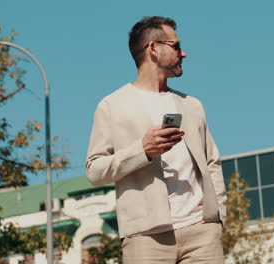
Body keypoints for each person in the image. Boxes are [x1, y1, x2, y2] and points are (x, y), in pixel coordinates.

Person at [85, 16, 227, 264]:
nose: (184, 54)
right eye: (176, 46)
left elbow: (212, 162)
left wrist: (217, 217)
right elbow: (95, 170)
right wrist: (142, 150)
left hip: (202, 232)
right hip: (146, 238)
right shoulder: (112, 106)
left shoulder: (192, 105)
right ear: (153, 48)